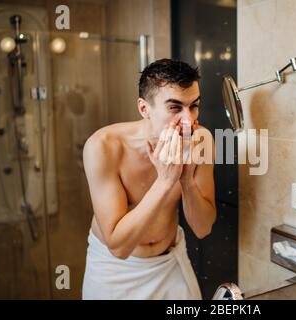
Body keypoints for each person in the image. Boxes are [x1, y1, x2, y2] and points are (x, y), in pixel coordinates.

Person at [82, 59, 216, 299]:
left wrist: (186, 180)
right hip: (114, 271)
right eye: (175, 108)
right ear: (144, 109)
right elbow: (119, 247)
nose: (188, 120)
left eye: (194, 106)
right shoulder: (104, 146)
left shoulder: (201, 140)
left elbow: (203, 228)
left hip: (169, 262)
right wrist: (165, 182)